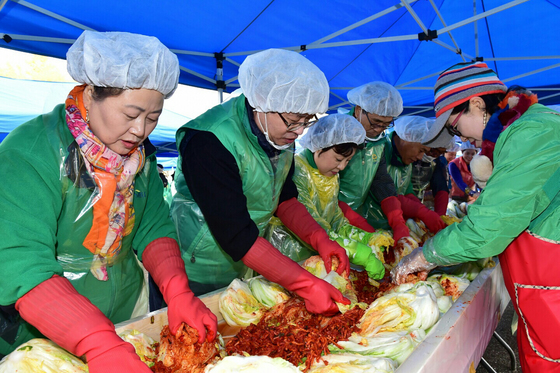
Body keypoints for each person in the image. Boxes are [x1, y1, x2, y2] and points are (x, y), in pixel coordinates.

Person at [0, 31, 217, 371]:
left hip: (121, 318)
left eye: (153, 117)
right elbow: (21, 263)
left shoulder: (135, 158)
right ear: (91, 94)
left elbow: (153, 224)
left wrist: (177, 290)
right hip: (46, 331)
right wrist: (96, 342)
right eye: (131, 114)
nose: (140, 130)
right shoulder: (30, 151)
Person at [391, 61, 560, 372]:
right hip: (544, 284)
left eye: (455, 127)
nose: (460, 138)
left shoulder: (530, 132)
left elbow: (488, 228)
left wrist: (426, 254)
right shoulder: (518, 130)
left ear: (477, 104)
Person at [171, 49, 351, 316]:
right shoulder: (209, 140)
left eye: (306, 121)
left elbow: (285, 199)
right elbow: (236, 232)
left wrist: (320, 238)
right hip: (198, 268)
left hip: (249, 260)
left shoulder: (279, 137)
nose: (300, 131)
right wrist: (304, 284)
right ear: (261, 103)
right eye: (292, 121)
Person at [265, 114, 385, 279]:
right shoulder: (297, 171)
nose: (342, 166)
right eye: (339, 159)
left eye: (348, 161)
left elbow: (335, 219)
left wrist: (367, 238)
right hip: (288, 256)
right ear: (319, 147)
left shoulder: (330, 175)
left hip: (319, 255)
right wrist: (357, 252)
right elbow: (312, 224)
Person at [338, 82, 411, 243]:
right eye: (376, 122)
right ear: (358, 110)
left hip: (357, 216)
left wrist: (397, 220)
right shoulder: (336, 132)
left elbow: (380, 180)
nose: (379, 129)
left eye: (386, 125)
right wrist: (346, 213)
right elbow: (323, 183)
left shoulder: (380, 142)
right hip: (331, 216)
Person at [373, 116, 448, 233]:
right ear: (407, 138)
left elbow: (407, 190)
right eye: (421, 150)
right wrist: (420, 211)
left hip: (389, 227)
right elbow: (383, 191)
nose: (420, 157)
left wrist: (421, 209)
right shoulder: (379, 150)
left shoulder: (406, 158)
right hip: (371, 224)